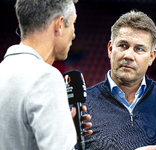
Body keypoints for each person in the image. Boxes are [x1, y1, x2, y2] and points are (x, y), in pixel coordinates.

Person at [81, 10, 156, 150]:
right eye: (123, 45)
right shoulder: (82, 105)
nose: (129, 55)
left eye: (139, 49)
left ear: (151, 57)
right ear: (110, 49)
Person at [0, 0, 92, 150]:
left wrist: (63, 131)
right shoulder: (46, 78)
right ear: (59, 25)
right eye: (73, 23)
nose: (74, 34)